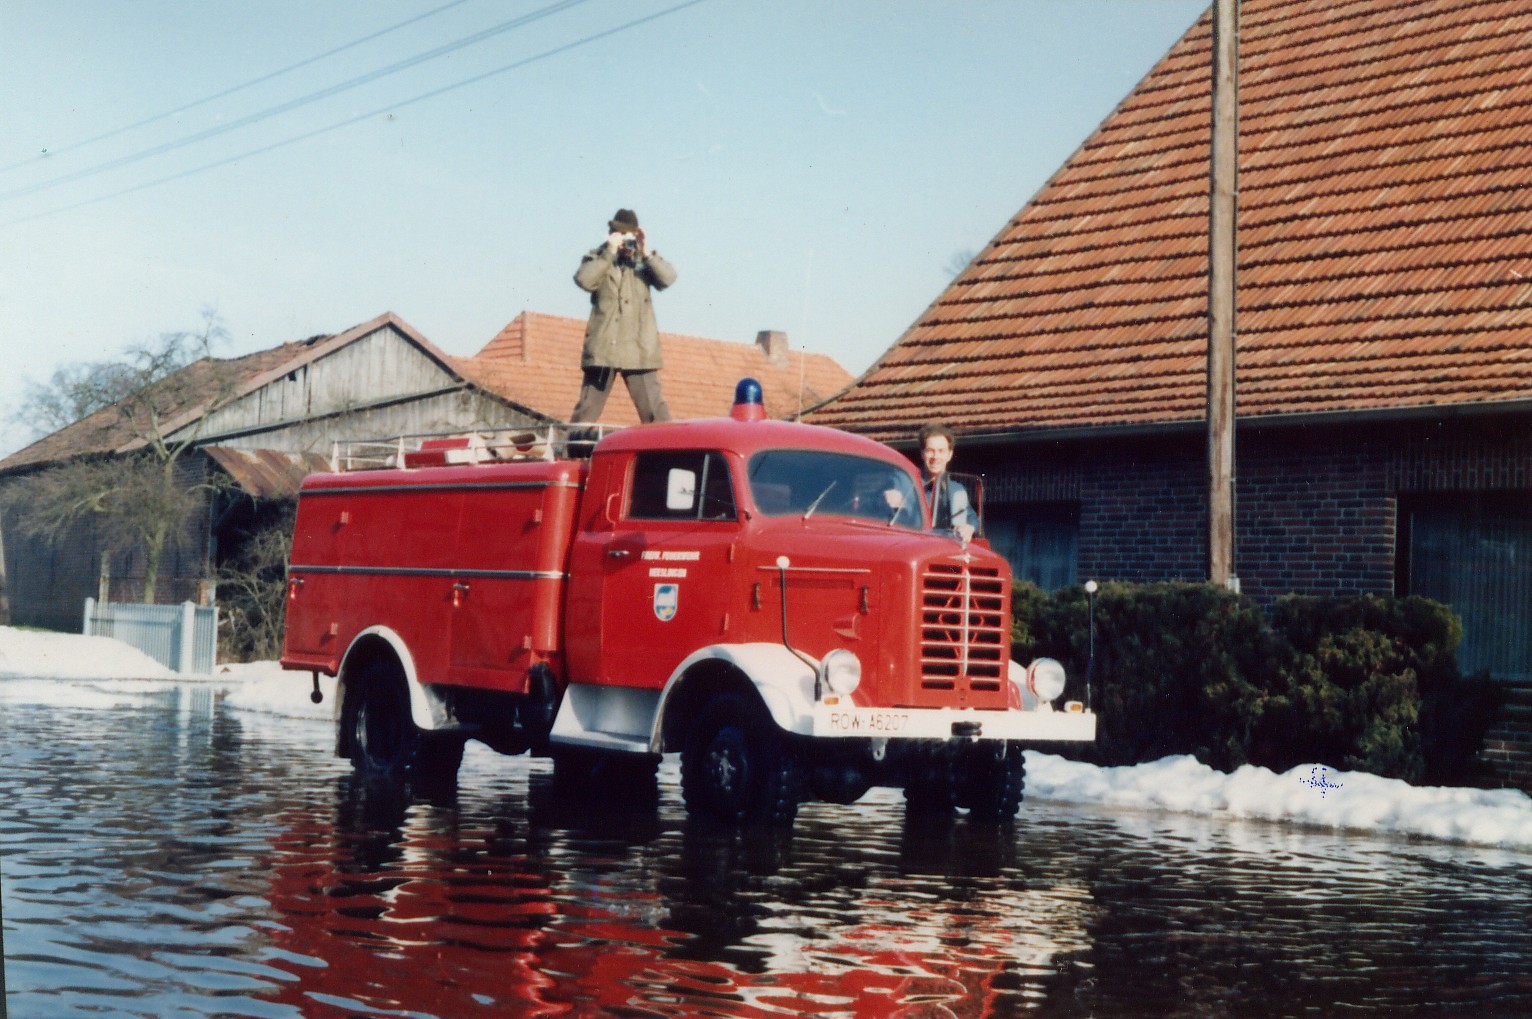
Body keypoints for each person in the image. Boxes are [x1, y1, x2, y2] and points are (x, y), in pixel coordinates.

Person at [570, 208, 677, 424]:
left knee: (656, 412)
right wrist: (609, 252)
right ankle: (573, 451)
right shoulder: (598, 257)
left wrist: (647, 253)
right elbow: (584, 280)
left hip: (639, 349)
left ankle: (669, 454)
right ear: (612, 235)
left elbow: (668, 278)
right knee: (587, 411)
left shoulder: (645, 262)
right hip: (604, 348)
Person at [919, 423, 975, 543]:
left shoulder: (956, 490)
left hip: (943, 548)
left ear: (949, 455)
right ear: (922, 454)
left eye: (941, 451)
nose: (935, 456)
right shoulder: (908, 484)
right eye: (930, 451)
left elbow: (971, 518)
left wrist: (969, 528)